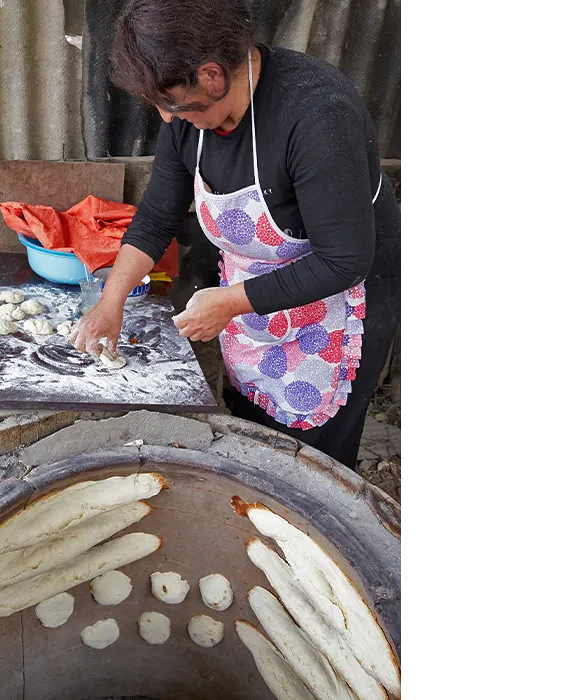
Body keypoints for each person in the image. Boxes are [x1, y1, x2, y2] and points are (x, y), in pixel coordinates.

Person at [70, 0, 403, 469]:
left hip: (338, 307)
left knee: (310, 465)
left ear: (211, 75)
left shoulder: (316, 116)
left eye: (171, 104)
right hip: (257, 301)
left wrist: (227, 303)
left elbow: (344, 260)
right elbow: (155, 219)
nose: (166, 118)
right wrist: (111, 301)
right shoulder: (189, 120)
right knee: (252, 431)